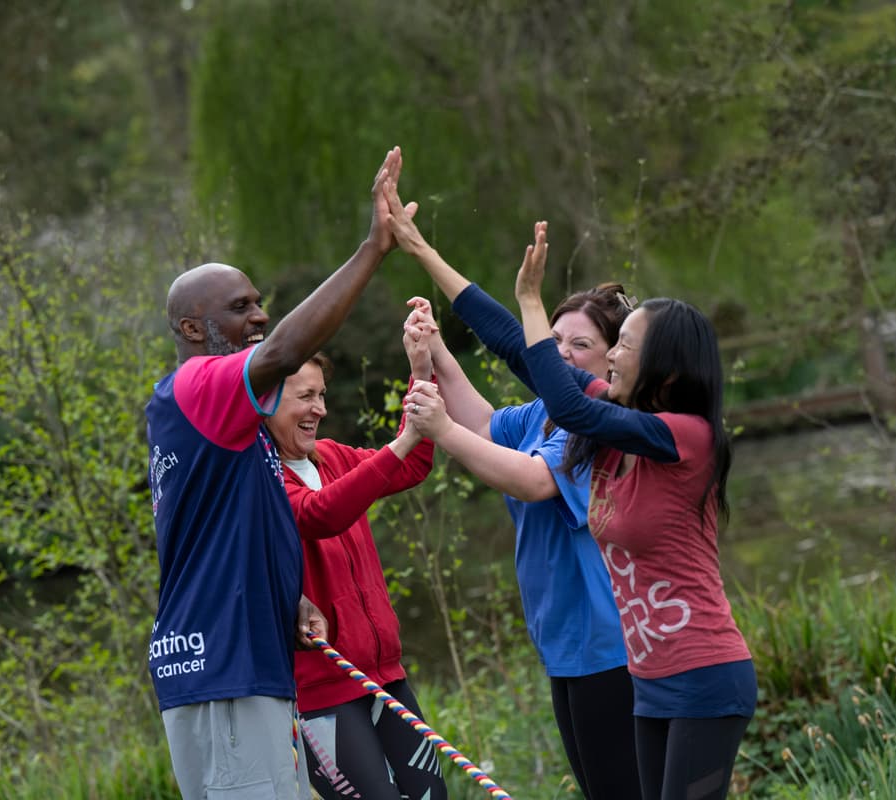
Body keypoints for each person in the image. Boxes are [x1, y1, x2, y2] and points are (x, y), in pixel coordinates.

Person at [415, 220, 755, 800]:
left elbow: (570, 410)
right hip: (650, 680)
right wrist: (421, 249)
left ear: (667, 368)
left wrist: (530, 303)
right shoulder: (615, 426)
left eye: (624, 345)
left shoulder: (688, 436)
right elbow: (522, 356)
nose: (612, 354)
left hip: (704, 673)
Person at [145, 147, 418, 800]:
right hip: (223, 669)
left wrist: (285, 596)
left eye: (259, 303)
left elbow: (220, 531)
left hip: (246, 664)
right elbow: (287, 350)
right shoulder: (197, 385)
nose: (260, 316)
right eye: (240, 307)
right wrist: (373, 250)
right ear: (193, 328)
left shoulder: (235, 429)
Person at [385, 207, 641, 795]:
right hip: (564, 645)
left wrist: (440, 430)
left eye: (581, 344)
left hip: (609, 646)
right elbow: (481, 424)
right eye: (555, 340)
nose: (562, 353)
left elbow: (532, 481)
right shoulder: (540, 415)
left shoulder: (600, 426)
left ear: (612, 358)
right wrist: (436, 348)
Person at [264, 341, 447, 800]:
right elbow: (321, 513)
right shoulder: (259, 479)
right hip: (320, 690)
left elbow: (412, 465)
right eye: (306, 396)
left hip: (384, 675)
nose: (320, 409)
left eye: (322, 395)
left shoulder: (332, 457)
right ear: (266, 402)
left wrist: (421, 369)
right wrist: (403, 440)